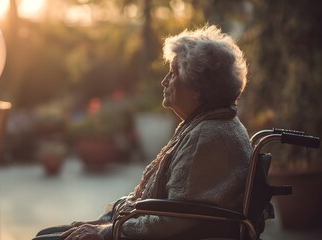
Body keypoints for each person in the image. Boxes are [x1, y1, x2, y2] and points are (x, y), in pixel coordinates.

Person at [33, 25, 252, 240]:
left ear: (197, 89)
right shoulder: (212, 124)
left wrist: (107, 231)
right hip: (147, 226)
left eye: (174, 74)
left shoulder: (206, 136)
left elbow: (173, 218)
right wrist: (106, 221)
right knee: (48, 235)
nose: (164, 81)